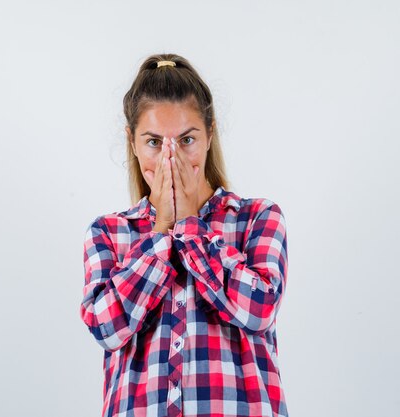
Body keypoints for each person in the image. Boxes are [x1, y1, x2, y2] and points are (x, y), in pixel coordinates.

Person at [80, 53, 289, 417]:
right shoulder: (110, 232)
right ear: (132, 142)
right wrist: (162, 229)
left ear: (210, 133)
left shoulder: (256, 218)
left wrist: (191, 225)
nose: (170, 159)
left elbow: (259, 311)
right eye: (154, 142)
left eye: (187, 139)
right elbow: (106, 328)